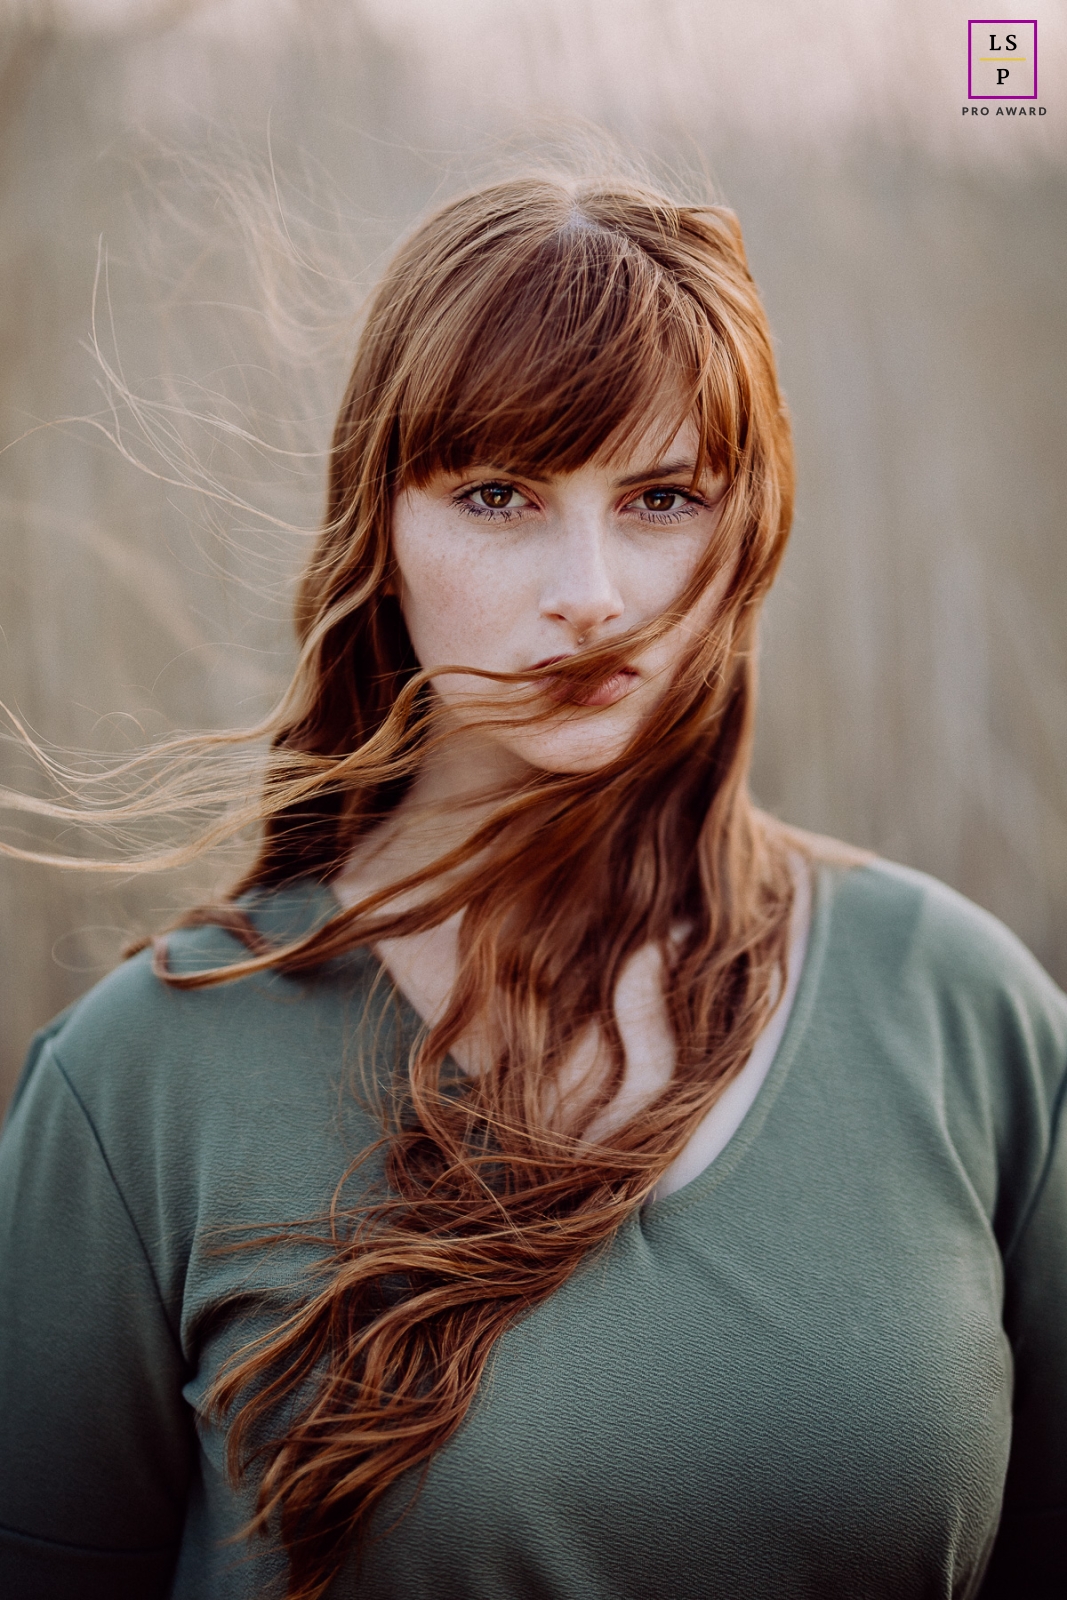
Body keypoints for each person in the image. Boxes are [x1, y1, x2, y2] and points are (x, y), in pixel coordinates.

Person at [0, 173, 1064, 1600]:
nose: (592, 592)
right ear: (382, 520)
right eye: (499, 495)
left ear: (744, 530)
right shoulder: (141, 1085)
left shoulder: (961, 1012)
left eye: (661, 498)